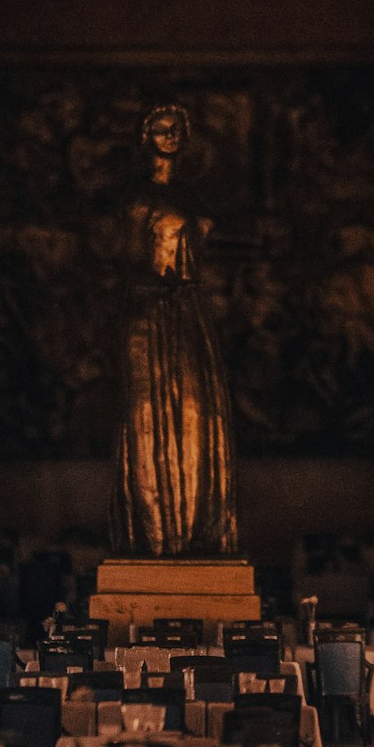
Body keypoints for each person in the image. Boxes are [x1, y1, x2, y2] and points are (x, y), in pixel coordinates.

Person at [108, 106, 238, 557]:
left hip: (188, 310)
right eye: (161, 129)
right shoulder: (135, 198)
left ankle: (197, 527)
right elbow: (130, 261)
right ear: (146, 137)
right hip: (150, 312)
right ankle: (157, 533)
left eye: (176, 129)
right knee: (149, 416)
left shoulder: (191, 195)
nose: (170, 136)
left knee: (199, 413)